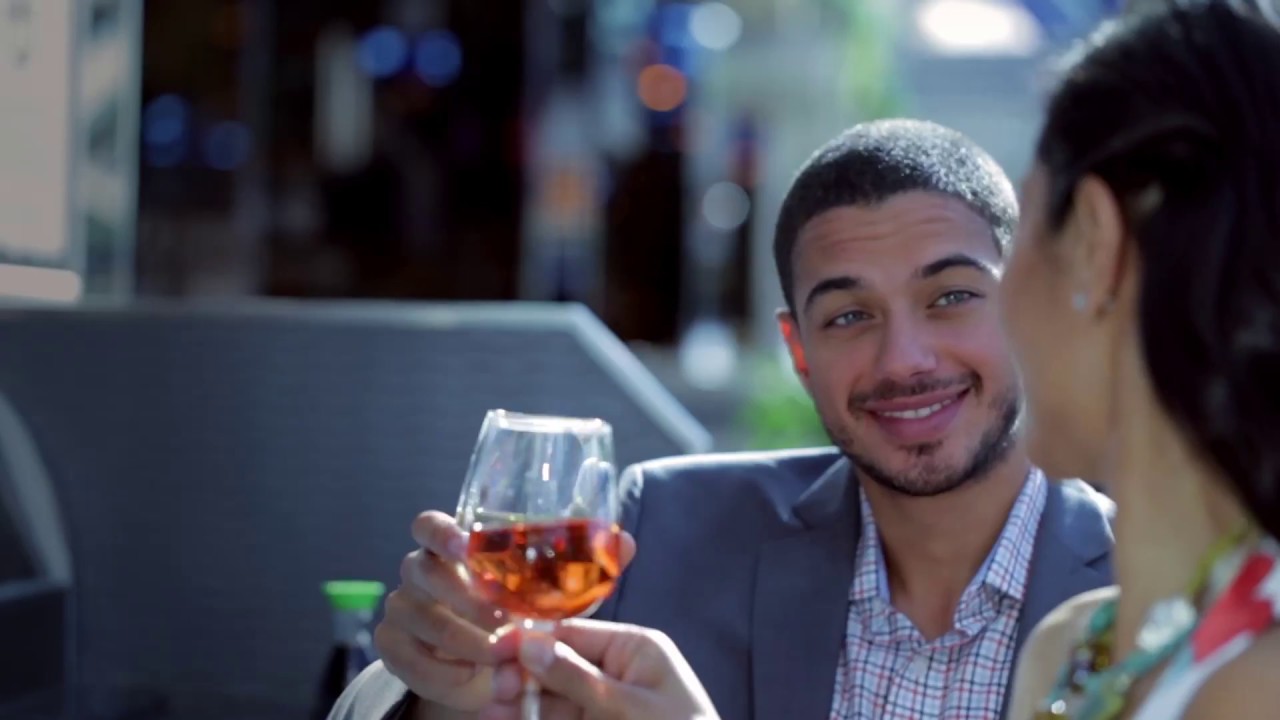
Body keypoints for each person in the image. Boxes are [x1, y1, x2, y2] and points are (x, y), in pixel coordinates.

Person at [328, 119, 1116, 720]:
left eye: (951, 297)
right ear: (798, 351)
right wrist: (444, 686)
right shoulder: (667, 528)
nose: (904, 359)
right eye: (848, 316)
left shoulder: (1148, 590)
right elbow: (375, 701)